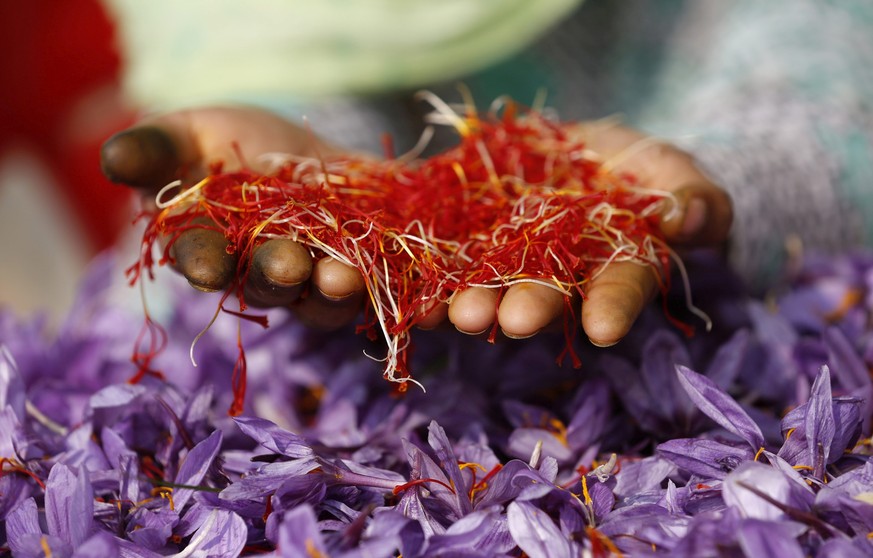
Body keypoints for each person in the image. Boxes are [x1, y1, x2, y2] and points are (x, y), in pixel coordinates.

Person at [99, 0, 873, 347]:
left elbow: (822, 77)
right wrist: (285, 130)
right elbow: (292, 35)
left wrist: (727, 179)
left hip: (734, 261)